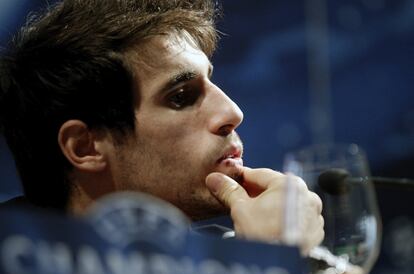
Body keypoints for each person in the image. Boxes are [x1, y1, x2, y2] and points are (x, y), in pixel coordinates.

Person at [0, 0, 323, 255]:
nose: (232, 112)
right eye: (181, 97)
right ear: (85, 146)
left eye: (211, 80)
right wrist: (269, 272)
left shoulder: (227, 254)